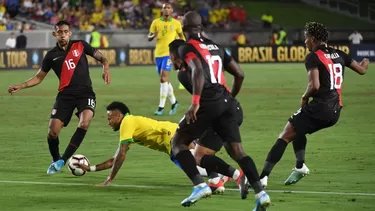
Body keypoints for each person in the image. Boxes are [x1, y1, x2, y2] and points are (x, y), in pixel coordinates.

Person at [169, 11, 271, 211]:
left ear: (184, 28)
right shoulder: (216, 47)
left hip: (209, 101)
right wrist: (229, 97)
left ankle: (200, 186)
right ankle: (261, 193)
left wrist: (196, 102)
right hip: (227, 101)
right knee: (238, 152)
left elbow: (197, 69)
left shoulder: (187, 47)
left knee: (178, 143)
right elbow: (239, 74)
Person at [259, 21, 370, 188]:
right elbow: (362, 70)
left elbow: (314, 86)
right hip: (335, 112)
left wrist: (304, 97)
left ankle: (262, 179)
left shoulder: (313, 57)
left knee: (285, 134)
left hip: (320, 108)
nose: (305, 42)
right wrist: (366, 61)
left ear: (312, 39)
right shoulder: (340, 54)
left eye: (306, 38)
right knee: (298, 125)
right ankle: (300, 166)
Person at [7, 20, 112, 174]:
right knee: (52, 132)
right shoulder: (51, 56)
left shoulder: (81, 45)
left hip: (85, 92)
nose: (62, 35)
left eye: (65, 32)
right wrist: (21, 86)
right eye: (59, 32)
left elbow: (103, 59)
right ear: (54, 34)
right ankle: (56, 159)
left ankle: (63, 160)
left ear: (70, 33)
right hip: (65, 95)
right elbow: (39, 77)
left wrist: (106, 69)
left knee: (84, 123)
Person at [75, 101, 239, 188]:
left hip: (171, 138)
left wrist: (109, 179)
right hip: (174, 131)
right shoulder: (130, 125)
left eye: (110, 118)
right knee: (199, 160)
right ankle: (228, 175)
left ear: (119, 116)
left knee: (195, 166)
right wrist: (91, 169)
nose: (108, 122)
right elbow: (116, 157)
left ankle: (233, 175)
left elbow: (121, 156)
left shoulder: (127, 123)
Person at [169, 39, 247, 197]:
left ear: (174, 55)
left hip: (216, 111)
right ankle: (217, 181)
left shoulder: (186, 74)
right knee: (201, 154)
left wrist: (196, 110)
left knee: (183, 145)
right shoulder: (204, 62)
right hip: (227, 108)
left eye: (170, 56)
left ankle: (233, 177)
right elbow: (238, 74)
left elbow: (205, 94)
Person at [148, 3, 185, 116]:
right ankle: (174, 102)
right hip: (158, 54)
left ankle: (161, 107)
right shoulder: (156, 22)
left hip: (170, 54)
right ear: (162, 10)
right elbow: (149, 37)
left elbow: (182, 37)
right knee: (164, 80)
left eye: (168, 8)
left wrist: (180, 49)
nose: (166, 10)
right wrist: (153, 36)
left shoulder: (176, 23)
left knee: (163, 78)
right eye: (164, 8)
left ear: (172, 10)